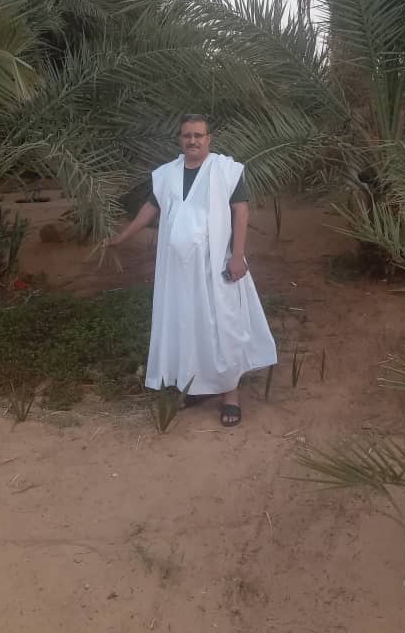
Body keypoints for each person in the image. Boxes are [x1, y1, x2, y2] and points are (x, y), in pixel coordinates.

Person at [107, 114, 277, 426]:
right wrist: (123, 236)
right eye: (187, 135)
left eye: (198, 135)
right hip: (177, 272)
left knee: (222, 325)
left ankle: (230, 394)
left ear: (208, 139)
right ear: (180, 139)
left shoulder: (224, 170)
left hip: (216, 265)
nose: (193, 140)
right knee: (187, 326)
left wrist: (238, 256)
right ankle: (196, 386)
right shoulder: (167, 174)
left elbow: (241, 211)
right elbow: (151, 208)